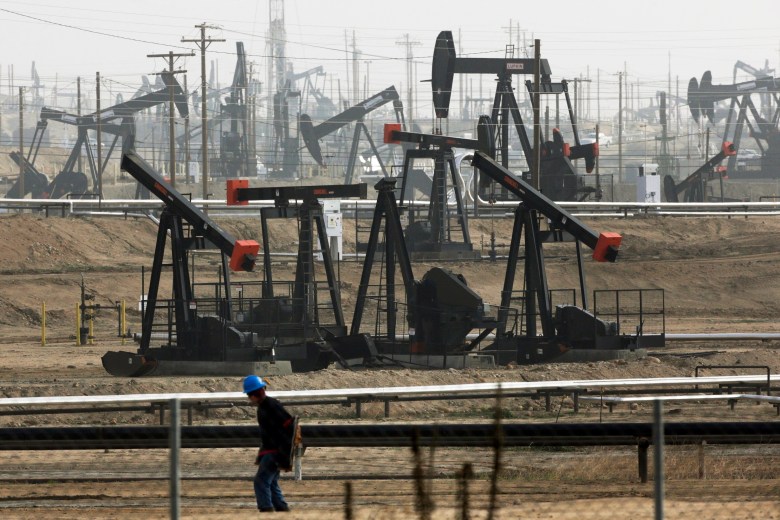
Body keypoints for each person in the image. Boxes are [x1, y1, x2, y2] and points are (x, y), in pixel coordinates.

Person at [243, 375, 296, 513]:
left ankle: (266, 508)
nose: (249, 398)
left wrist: (283, 452)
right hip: (273, 450)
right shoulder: (266, 406)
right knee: (271, 482)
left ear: (254, 394)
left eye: (249, 395)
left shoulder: (271, 405)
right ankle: (281, 507)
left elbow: (289, 426)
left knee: (261, 481)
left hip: (274, 451)